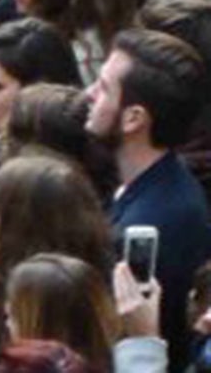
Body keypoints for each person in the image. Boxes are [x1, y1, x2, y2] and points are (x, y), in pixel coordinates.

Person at [88, 27, 211, 363]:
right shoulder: (165, 180)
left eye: (102, 88)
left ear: (133, 118)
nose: (88, 94)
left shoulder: (148, 225)